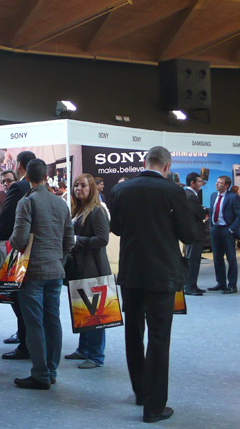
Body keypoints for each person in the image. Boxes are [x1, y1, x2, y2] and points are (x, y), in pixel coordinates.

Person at [110, 146, 196, 423]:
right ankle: (155, 407)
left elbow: (117, 228)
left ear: (144, 162)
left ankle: (141, 391)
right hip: (162, 273)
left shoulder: (121, 190)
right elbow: (188, 234)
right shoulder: (174, 191)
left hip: (131, 271)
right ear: (167, 166)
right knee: (159, 337)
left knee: (133, 331)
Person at [10, 158, 74, 390]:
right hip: (55, 270)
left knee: (34, 323)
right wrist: (59, 259)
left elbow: (19, 239)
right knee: (53, 320)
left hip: (33, 272)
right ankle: (51, 370)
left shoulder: (27, 202)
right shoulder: (61, 204)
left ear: (26, 177)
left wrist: (11, 242)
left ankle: (40, 374)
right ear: (46, 177)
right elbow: (69, 241)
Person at [64, 174, 110, 369]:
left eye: (83, 185)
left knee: (96, 314)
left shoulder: (97, 211)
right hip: (79, 268)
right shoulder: (78, 210)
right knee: (82, 311)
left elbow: (103, 239)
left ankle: (96, 355)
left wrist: (77, 240)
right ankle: (84, 349)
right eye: (76, 185)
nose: (78, 189)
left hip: (93, 269)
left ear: (92, 188)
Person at [0, 150, 36, 358]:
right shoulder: (46, 191)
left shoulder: (19, 187)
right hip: (38, 252)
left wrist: (4, 242)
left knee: (18, 296)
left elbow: (6, 220)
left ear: (19, 165)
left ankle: (25, 342)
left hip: (18, 251)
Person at [208, 175, 240, 294]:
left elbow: (238, 215)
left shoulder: (233, 197)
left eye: (220, 183)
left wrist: (231, 229)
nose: (217, 184)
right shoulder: (213, 196)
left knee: (231, 258)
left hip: (227, 229)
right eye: (217, 182)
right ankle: (221, 283)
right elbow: (212, 211)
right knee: (217, 257)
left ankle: (232, 285)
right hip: (215, 229)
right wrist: (211, 226)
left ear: (226, 185)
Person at [183, 172, 208, 296]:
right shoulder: (191, 196)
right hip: (194, 233)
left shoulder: (187, 194)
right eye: (199, 181)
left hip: (191, 232)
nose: (201, 184)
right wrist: (204, 210)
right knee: (193, 261)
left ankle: (192, 285)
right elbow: (201, 213)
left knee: (192, 260)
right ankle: (190, 286)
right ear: (192, 183)